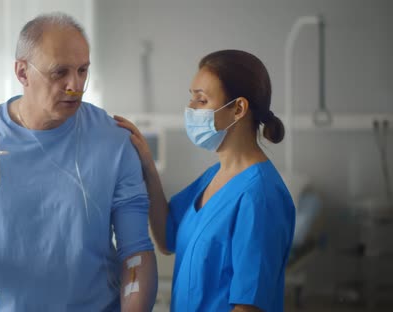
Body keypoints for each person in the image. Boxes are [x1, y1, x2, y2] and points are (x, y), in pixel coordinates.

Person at [0, 12, 157, 311]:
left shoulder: (113, 142)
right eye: (60, 72)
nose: (75, 85)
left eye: (83, 70)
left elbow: (135, 252)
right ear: (22, 73)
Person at [115, 49, 295, 312]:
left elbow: (249, 307)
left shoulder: (260, 197)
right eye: (191, 99)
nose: (190, 109)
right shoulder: (215, 175)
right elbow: (168, 237)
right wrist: (148, 167)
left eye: (201, 101)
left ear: (238, 108)